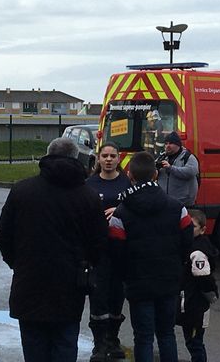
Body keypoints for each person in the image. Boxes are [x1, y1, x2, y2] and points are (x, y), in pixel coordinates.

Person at [0, 137, 108, 362]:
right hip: (70, 282)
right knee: (65, 343)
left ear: (47, 155)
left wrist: (17, 263)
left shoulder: (21, 191)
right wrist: (86, 264)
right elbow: (99, 242)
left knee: (34, 345)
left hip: (29, 280)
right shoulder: (88, 197)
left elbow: (3, 237)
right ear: (77, 158)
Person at [108, 151, 194, 362]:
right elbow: (188, 242)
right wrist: (177, 265)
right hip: (169, 280)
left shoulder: (121, 213)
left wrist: (125, 277)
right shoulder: (178, 208)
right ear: (156, 175)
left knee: (143, 338)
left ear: (130, 176)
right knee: (166, 334)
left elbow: (115, 253)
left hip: (138, 284)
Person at [86, 141, 131, 361]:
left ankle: (113, 339)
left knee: (117, 295)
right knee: (98, 295)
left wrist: (121, 210)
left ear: (119, 158)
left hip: (120, 250)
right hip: (98, 249)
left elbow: (137, 209)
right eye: (105, 156)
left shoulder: (127, 183)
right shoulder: (90, 184)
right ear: (98, 158)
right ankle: (99, 343)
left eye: (113, 156)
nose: (109, 160)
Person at [176, 209, 219, 362]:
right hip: (189, 302)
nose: (188, 229)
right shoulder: (189, 244)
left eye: (193, 226)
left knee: (195, 343)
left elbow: (204, 278)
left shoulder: (198, 251)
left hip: (195, 305)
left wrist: (211, 294)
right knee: (192, 341)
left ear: (203, 229)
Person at [157, 131, 199, 208]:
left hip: (184, 204)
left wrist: (170, 168)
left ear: (178, 145)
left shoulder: (188, 157)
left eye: (171, 143)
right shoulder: (162, 157)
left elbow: (190, 172)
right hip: (165, 202)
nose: (167, 146)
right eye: (166, 143)